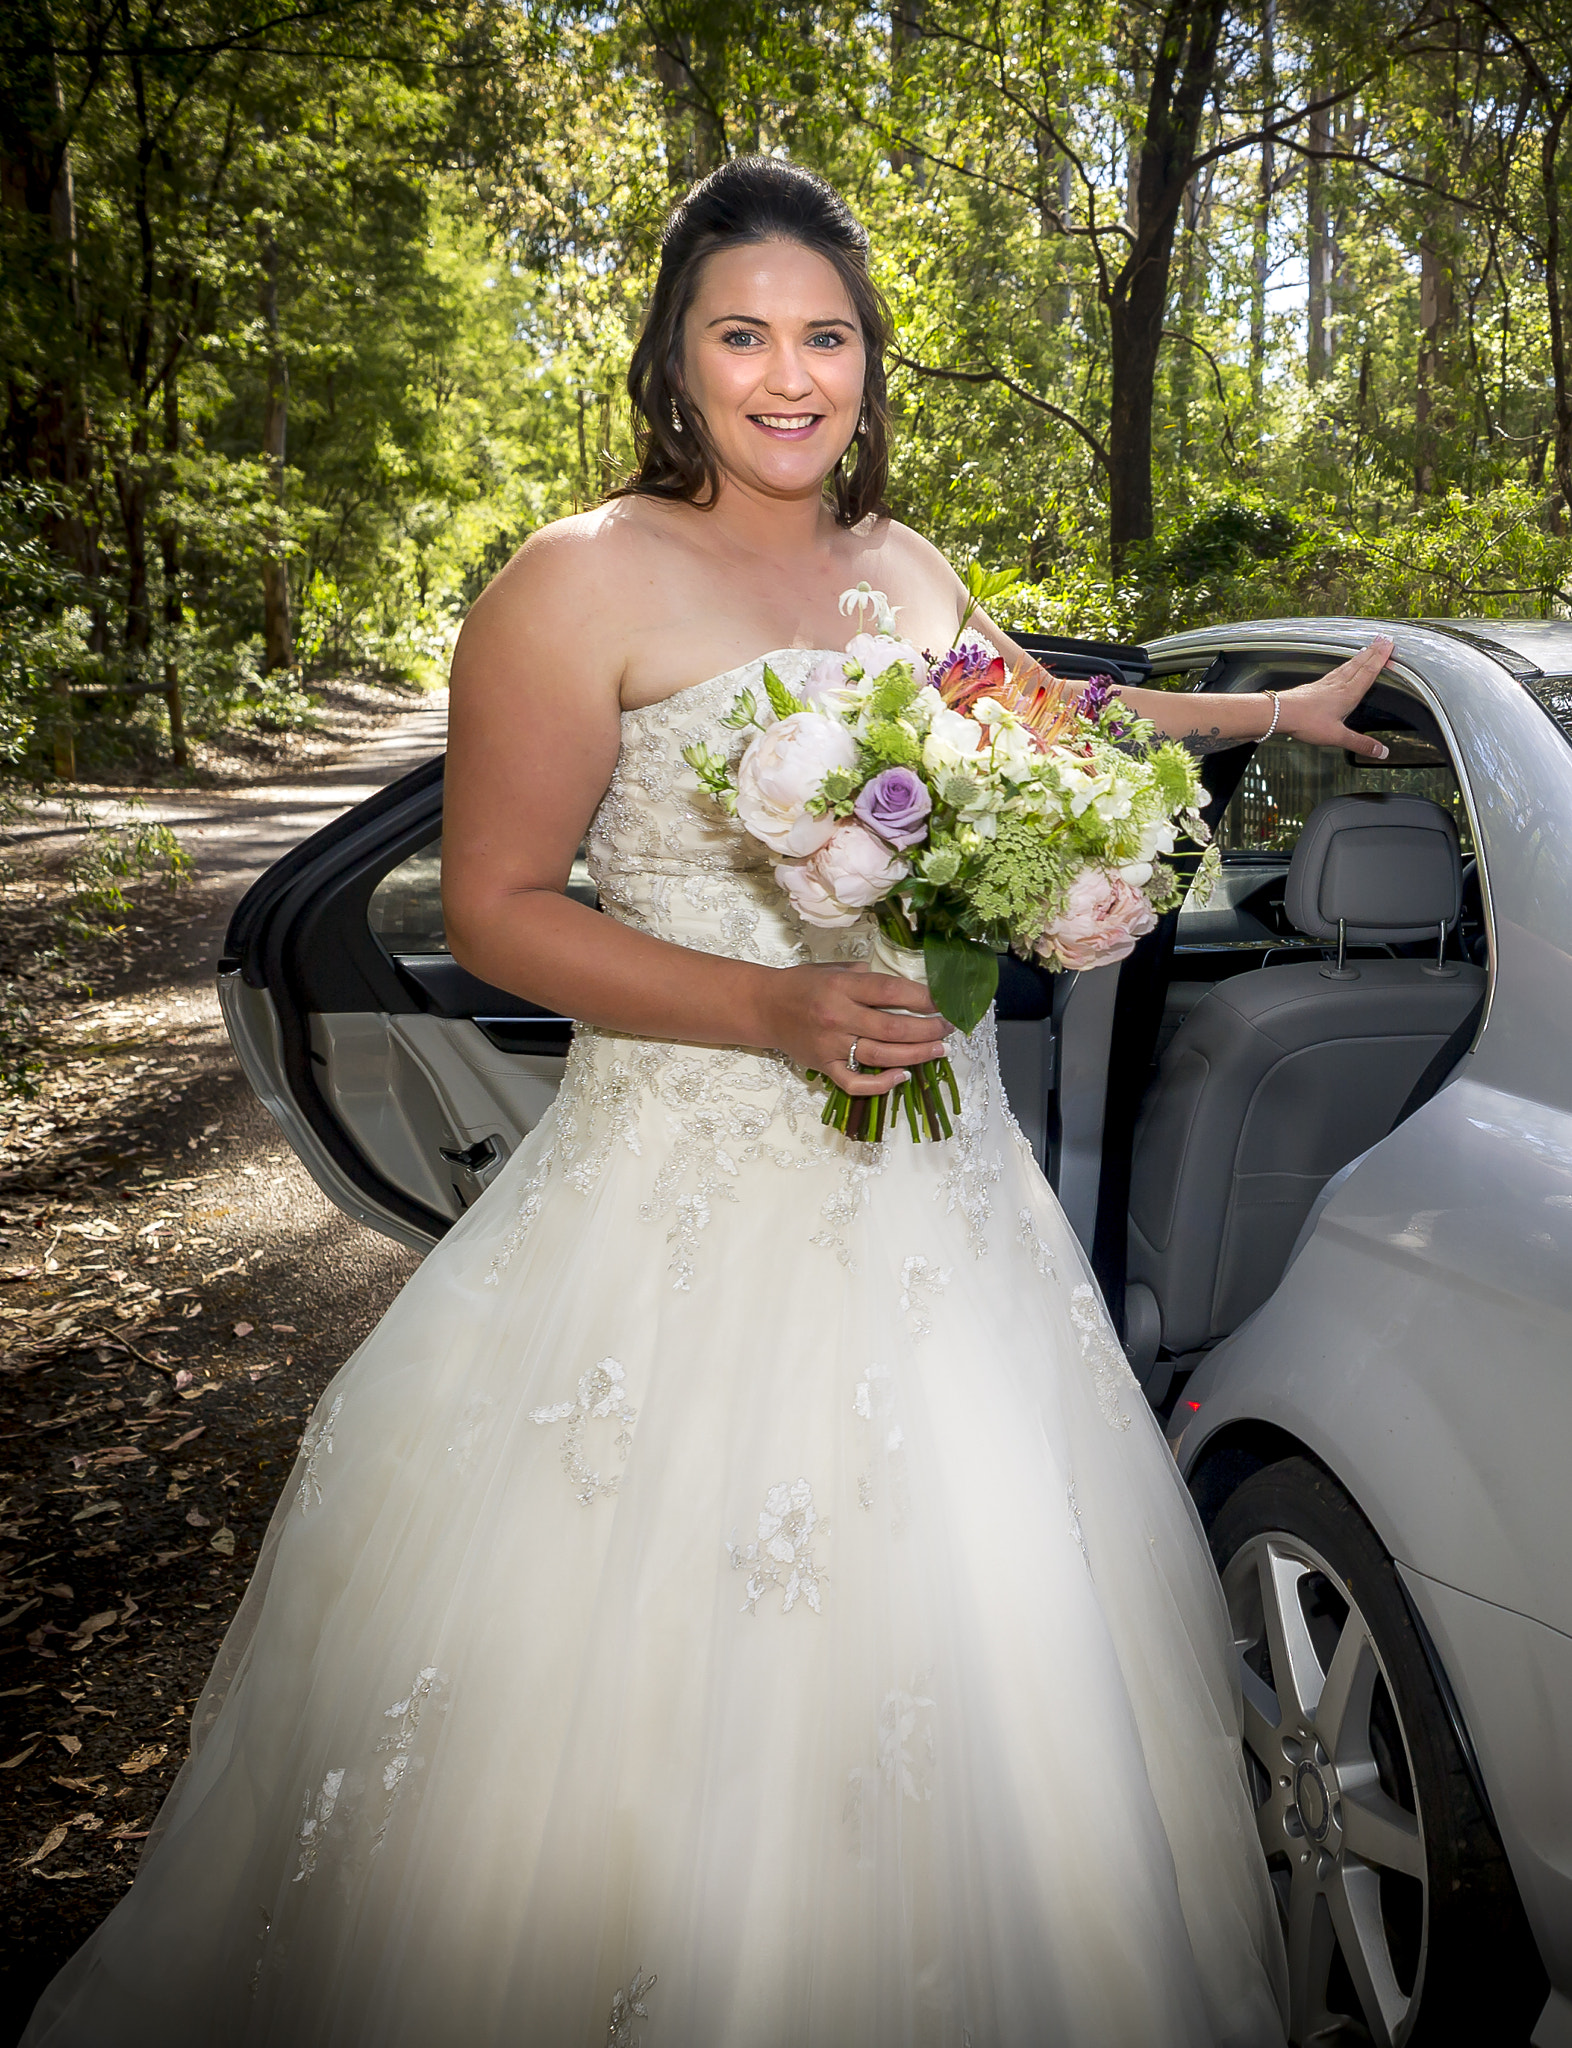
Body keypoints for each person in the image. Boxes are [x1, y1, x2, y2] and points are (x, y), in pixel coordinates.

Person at [23, 156, 1392, 2048]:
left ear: (868, 360)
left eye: (825, 336)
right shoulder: (577, 579)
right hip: (679, 1197)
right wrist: (767, 1007)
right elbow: (495, 911)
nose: (788, 375)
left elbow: (1037, 719)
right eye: (743, 334)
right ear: (677, 355)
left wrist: (1263, 716)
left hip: (945, 1210)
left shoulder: (899, 567)